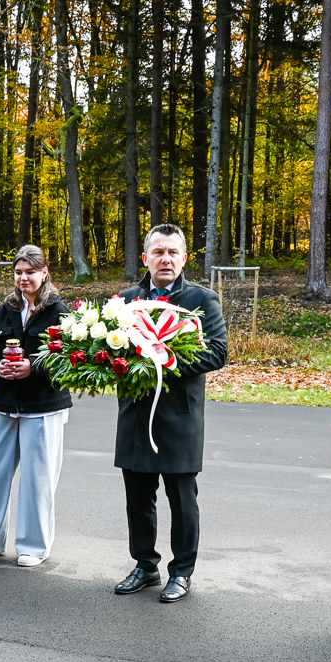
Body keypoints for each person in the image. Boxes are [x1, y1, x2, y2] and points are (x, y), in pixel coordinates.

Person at [111, 223, 229, 603]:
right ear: (144, 258)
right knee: (138, 498)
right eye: (158, 252)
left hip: (180, 416)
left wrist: (162, 355)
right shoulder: (124, 301)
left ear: (183, 258)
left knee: (182, 499)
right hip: (135, 414)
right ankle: (145, 566)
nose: (165, 259)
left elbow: (217, 353)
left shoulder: (202, 299)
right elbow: (109, 352)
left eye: (172, 252)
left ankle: (181, 572)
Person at [0, 245, 74, 567]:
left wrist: (32, 368)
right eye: (19, 272)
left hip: (44, 405)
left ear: (44, 273)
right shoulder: (0, 313)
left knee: (38, 478)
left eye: (30, 272)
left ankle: (33, 546)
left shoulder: (61, 314)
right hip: (3, 404)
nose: (24, 278)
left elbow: (68, 359)